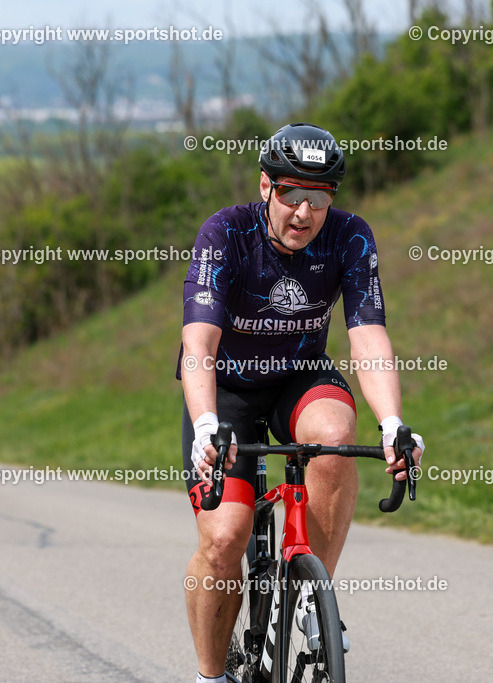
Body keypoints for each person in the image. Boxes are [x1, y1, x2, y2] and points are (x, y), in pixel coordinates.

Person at [178, 123, 425, 683]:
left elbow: (368, 336)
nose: (303, 213)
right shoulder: (225, 233)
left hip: (299, 376)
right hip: (228, 387)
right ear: (266, 186)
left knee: (335, 436)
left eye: (319, 198)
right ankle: (211, 676)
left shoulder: (351, 237)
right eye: (292, 194)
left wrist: (392, 423)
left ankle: (314, 595)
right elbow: (199, 342)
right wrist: (206, 424)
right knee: (223, 541)